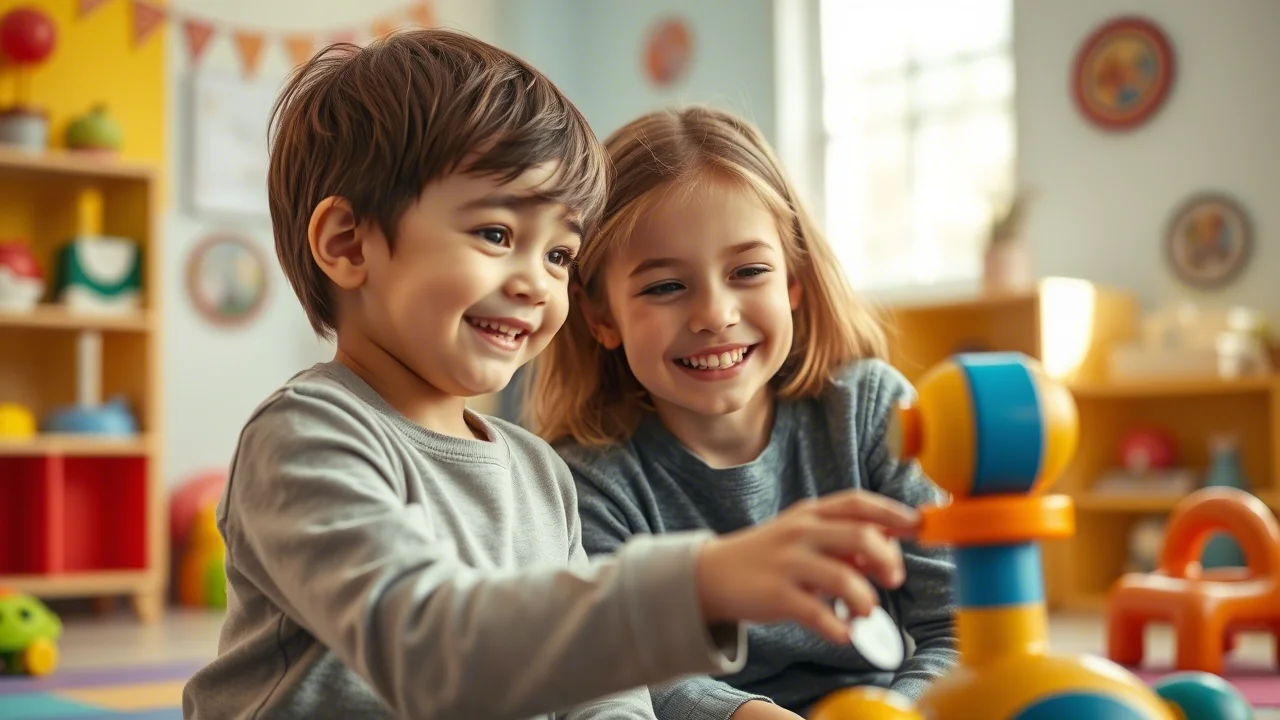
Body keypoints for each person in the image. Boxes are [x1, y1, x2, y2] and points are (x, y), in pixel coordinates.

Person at [181, 31, 923, 720]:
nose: (537, 282)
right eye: (496, 233)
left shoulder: (538, 473)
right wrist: (700, 583)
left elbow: (603, 695)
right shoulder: (305, 438)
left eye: (560, 255)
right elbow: (426, 648)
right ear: (348, 244)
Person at [528, 105, 958, 719]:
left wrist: (899, 713)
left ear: (793, 281)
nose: (714, 315)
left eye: (748, 271)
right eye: (665, 286)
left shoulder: (871, 412)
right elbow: (622, 668)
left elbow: (957, 624)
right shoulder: (586, 481)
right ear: (600, 316)